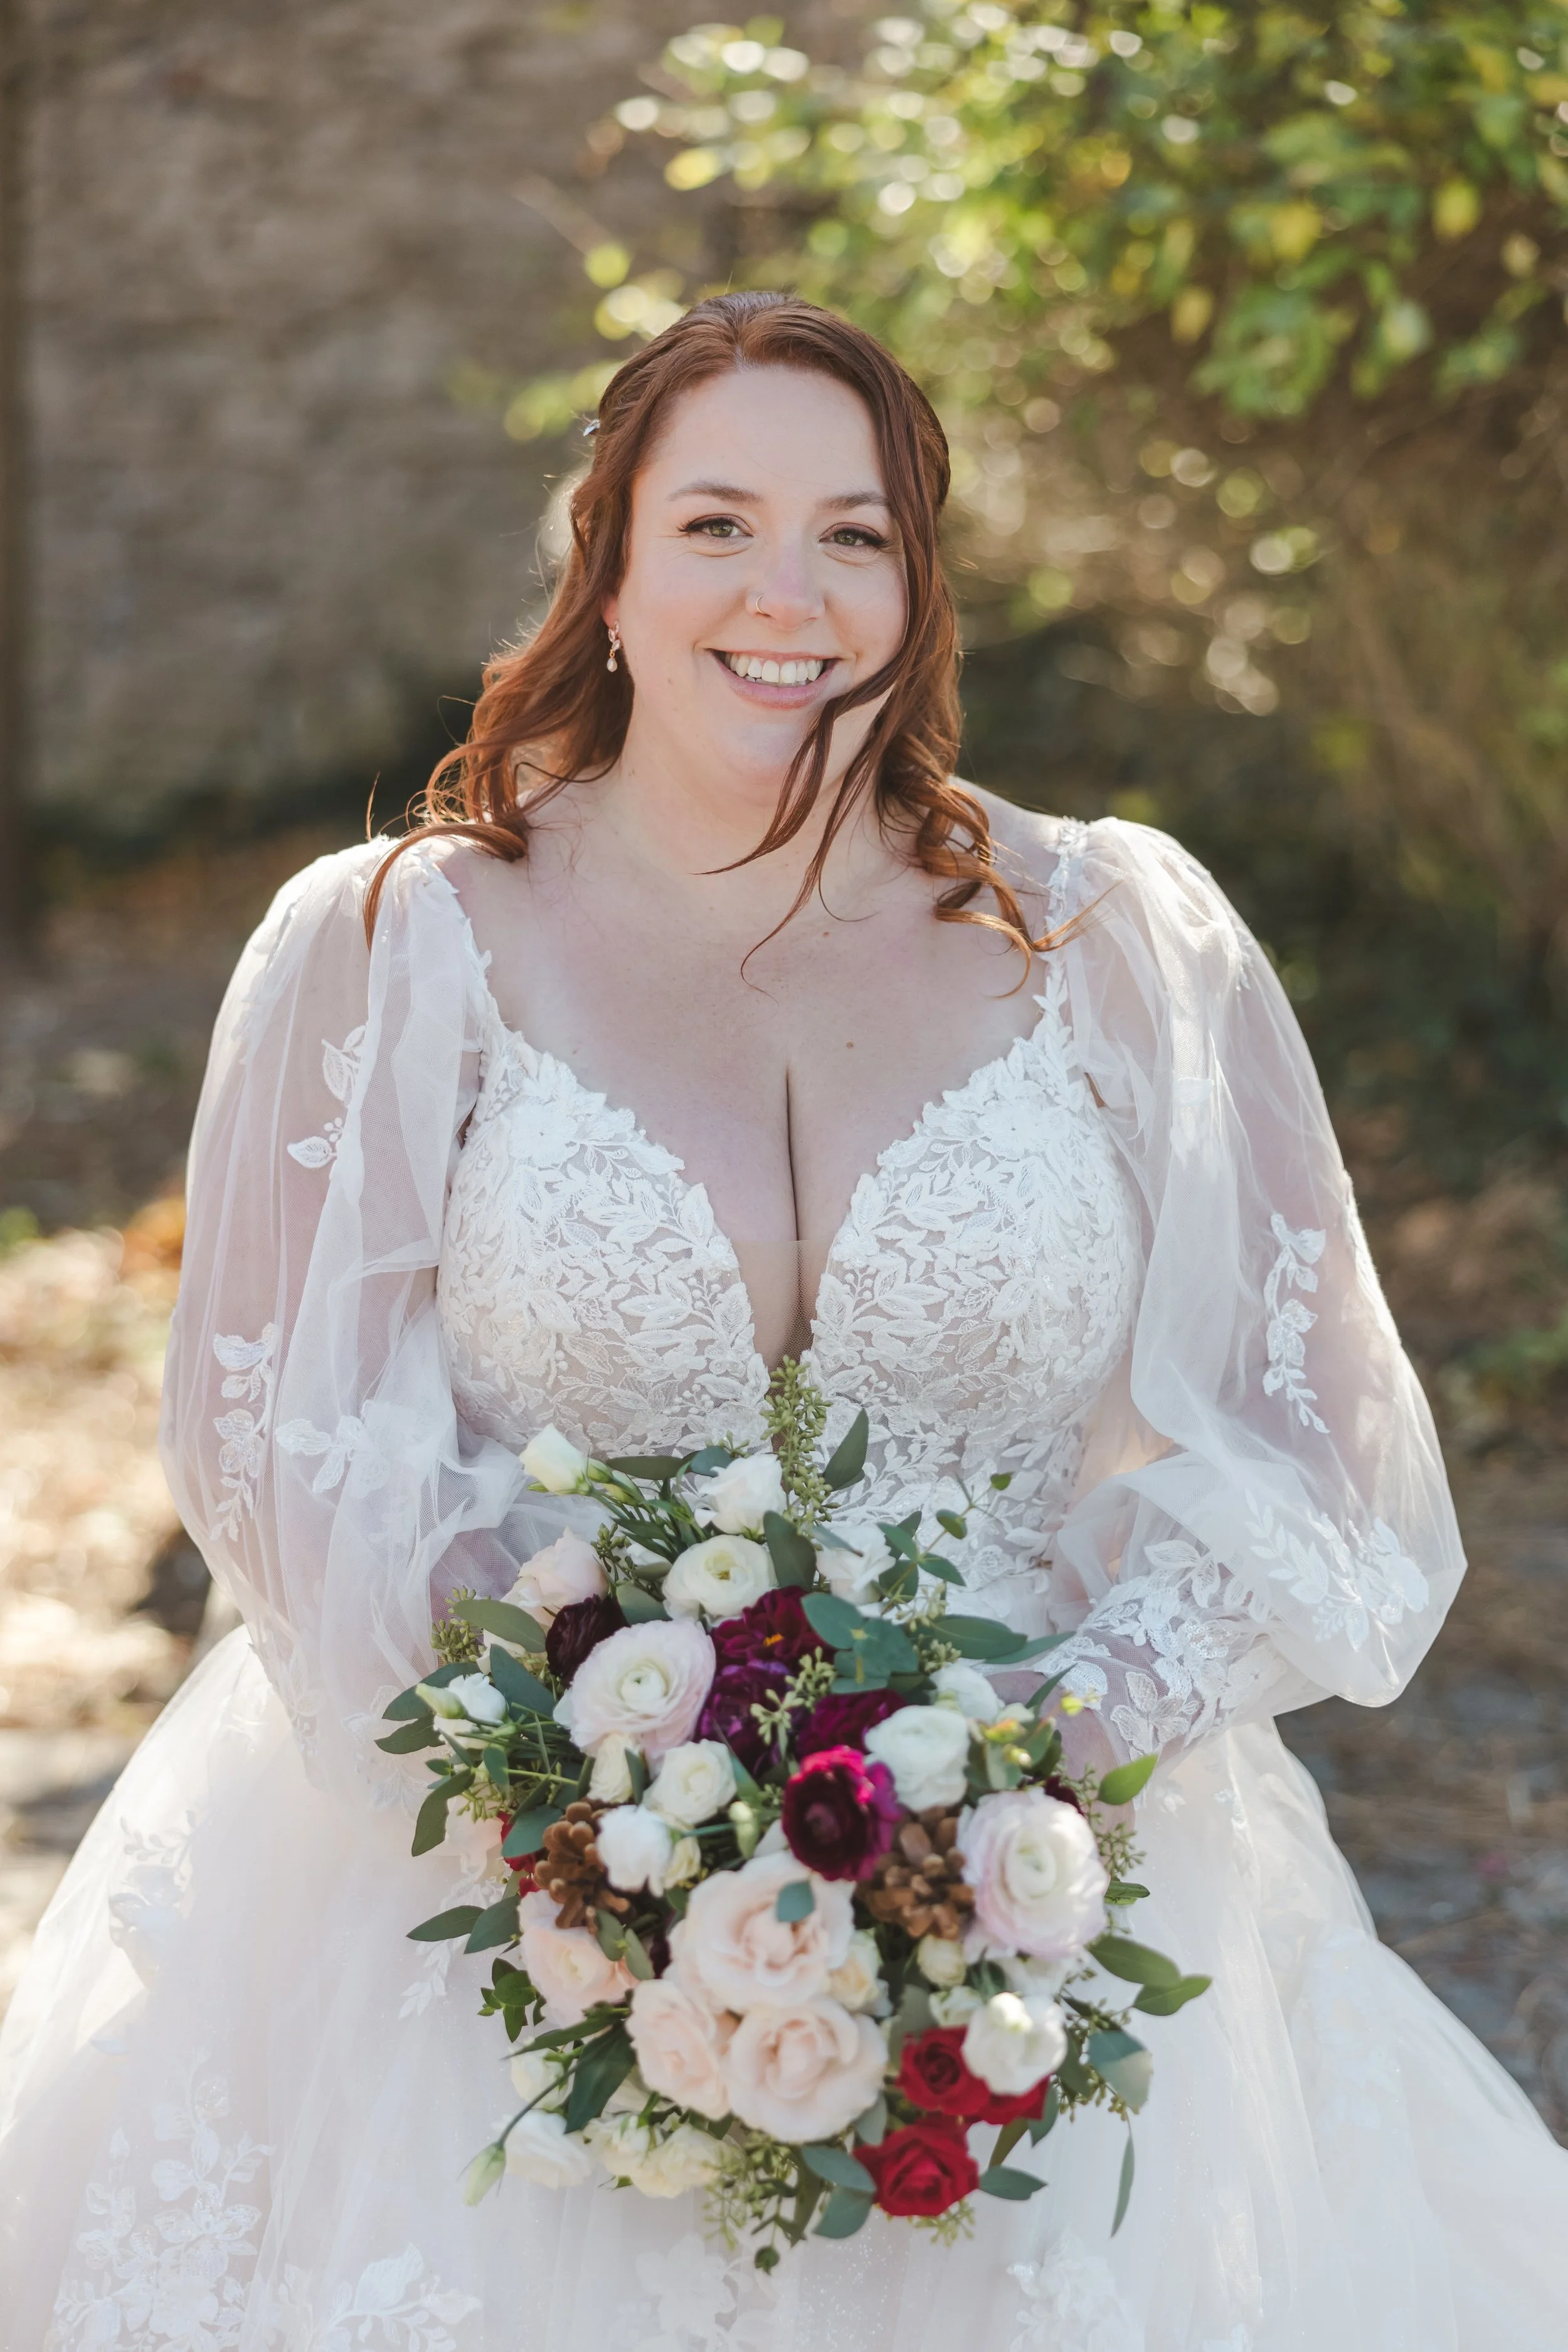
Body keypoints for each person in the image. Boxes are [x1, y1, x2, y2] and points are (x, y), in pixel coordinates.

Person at [1, 292, 1564, 2352]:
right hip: (516, 1876)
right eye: (718, 522)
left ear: (917, 585)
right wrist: (590, 1786)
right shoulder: (399, 943)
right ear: (611, 568)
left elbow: (1317, 1436)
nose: (789, 593)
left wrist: (1047, 1747)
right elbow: (282, 1437)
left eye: (855, 534)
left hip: (1049, 1880)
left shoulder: (1115, 936)